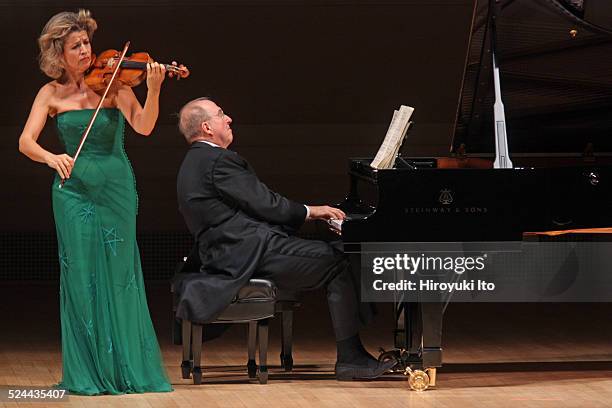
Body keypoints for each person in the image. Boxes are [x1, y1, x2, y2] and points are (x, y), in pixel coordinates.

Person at [176, 97, 396, 380]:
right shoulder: (218, 160)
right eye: (221, 114)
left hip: (229, 250)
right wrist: (313, 212)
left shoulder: (195, 161)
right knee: (338, 262)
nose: (228, 118)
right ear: (207, 127)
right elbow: (267, 205)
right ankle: (351, 358)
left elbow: (256, 206)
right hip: (246, 252)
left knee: (337, 250)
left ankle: (359, 341)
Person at [18, 10, 172, 395]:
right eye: (77, 45)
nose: (87, 50)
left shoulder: (116, 85)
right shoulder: (50, 93)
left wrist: (153, 89)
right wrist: (51, 158)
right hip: (72, 193)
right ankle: (88, 370)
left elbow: (144, 125)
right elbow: (25, 142)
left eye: (87, 42)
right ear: (60, 53)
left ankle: (125, 369)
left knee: (121, 276)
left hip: (116, 188)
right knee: (81, 276)